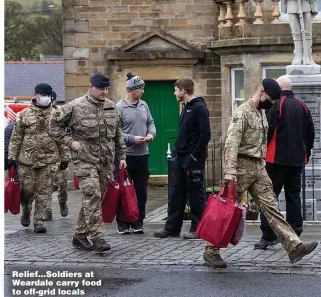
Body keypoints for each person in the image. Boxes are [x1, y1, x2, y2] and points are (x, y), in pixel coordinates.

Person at [202, 78, 318, 268]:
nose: (271, 104)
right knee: (227, 211)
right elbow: (231, 143)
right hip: (240, 168)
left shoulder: (261, 113)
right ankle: (211, 251)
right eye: (270, 100)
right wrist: (229, 171)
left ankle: (294, 246)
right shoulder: (242, 113)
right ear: (261, 92)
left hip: (258, 167)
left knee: (272, 207)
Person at [50, 73, 127, 253]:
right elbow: (53, 126)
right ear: (91, 87)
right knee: (92, 195)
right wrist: (71, 143)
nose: (104, 92)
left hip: (105, 161)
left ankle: (79, 235)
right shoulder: (75, 106)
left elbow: (117, 134)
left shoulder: (111, 107)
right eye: (101, 89)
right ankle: (98, 238)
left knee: (94, 198)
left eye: (107, 89)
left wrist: (122, 156)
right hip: (84, 160)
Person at [255, 75, 315, 249]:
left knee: (269, 197)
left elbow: (269, 129)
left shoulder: (276, 105)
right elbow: (310, 133)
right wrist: (307, 153)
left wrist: (261, 151)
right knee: (293, 196)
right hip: (297, 160)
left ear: (278, 89)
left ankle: (268, 235)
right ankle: (295, 232)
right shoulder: (302, 106)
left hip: (276, 160)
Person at [154, 78, 210, 240]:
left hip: (193, 159)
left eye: (175, 90)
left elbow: (205, 134)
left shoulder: (199, 108)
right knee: (176, 193)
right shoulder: (186, 108)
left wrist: (194, 156)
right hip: (180, 157)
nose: (174, 93)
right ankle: (172, 228)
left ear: (183, 91)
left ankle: (197, 228)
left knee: (195, 194)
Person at [7, 83, 67, 233]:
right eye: (42, 95)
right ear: (35, 96)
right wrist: (11, 156)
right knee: (27, 191)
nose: (45, 98)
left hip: (49, 161)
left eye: (48, 96)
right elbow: (16, 138)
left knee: (44, 192)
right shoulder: (24, 115)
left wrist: (65, 157)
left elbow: (62, 138)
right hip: (27, 161)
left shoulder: (57, 115)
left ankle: (39, 221)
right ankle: (26, 210)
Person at [116, 72, 156, 235]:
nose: (143, 92)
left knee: (141, 191)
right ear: (132, 90)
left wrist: (151, 134)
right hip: (125, 157)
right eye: (141, 89)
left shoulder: (144, 105)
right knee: (123, 191)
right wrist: (132, 138)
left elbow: (151, 123)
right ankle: (123, 222)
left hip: (142, 156)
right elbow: (116, 132)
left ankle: (138, 221)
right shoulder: (119, 108)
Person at [48, 90, 69, 219]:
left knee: (62, 183)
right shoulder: (38, 114)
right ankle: (46, 209)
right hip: (45, 155)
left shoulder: (62, 113)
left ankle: (62, 202)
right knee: (46, 185)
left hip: (61, 154)